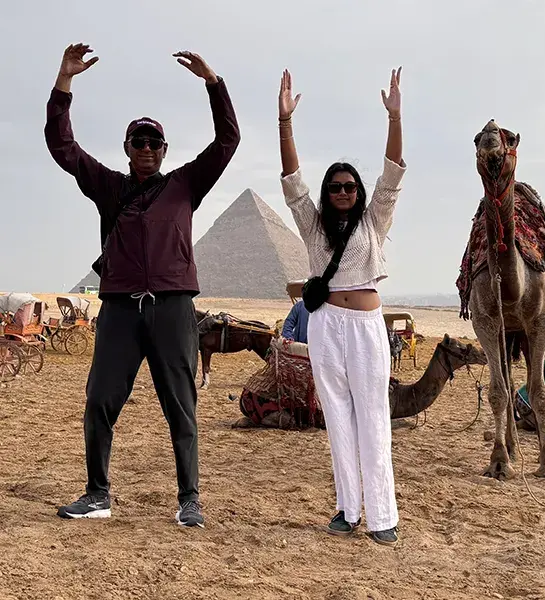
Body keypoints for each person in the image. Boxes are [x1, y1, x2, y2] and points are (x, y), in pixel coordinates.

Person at [45, 44, 240, 527]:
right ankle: (97, 494)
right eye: (139, 142)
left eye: (155, 143)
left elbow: (227, 141)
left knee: (181, 403)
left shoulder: (185, 185)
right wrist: (64, 82)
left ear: (165, 150)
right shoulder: (110, 187)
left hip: (173, 306)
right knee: (99, 399)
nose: (147, 149)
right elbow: (62, 147)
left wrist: (213, 82)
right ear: (127, 148)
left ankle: (189, 498)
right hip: (118, 310)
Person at [278, 67, 405, 546]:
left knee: (373, 416)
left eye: (351, 187)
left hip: (366, 326)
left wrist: (395, 116)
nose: (344, 193)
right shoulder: (313, 227)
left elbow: (392, 173)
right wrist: (284, 123)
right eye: (336, 187)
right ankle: (348, 508)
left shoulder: (375, 221)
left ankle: (382, 514)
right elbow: (293, 182)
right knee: (337, 417)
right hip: (326, 324)